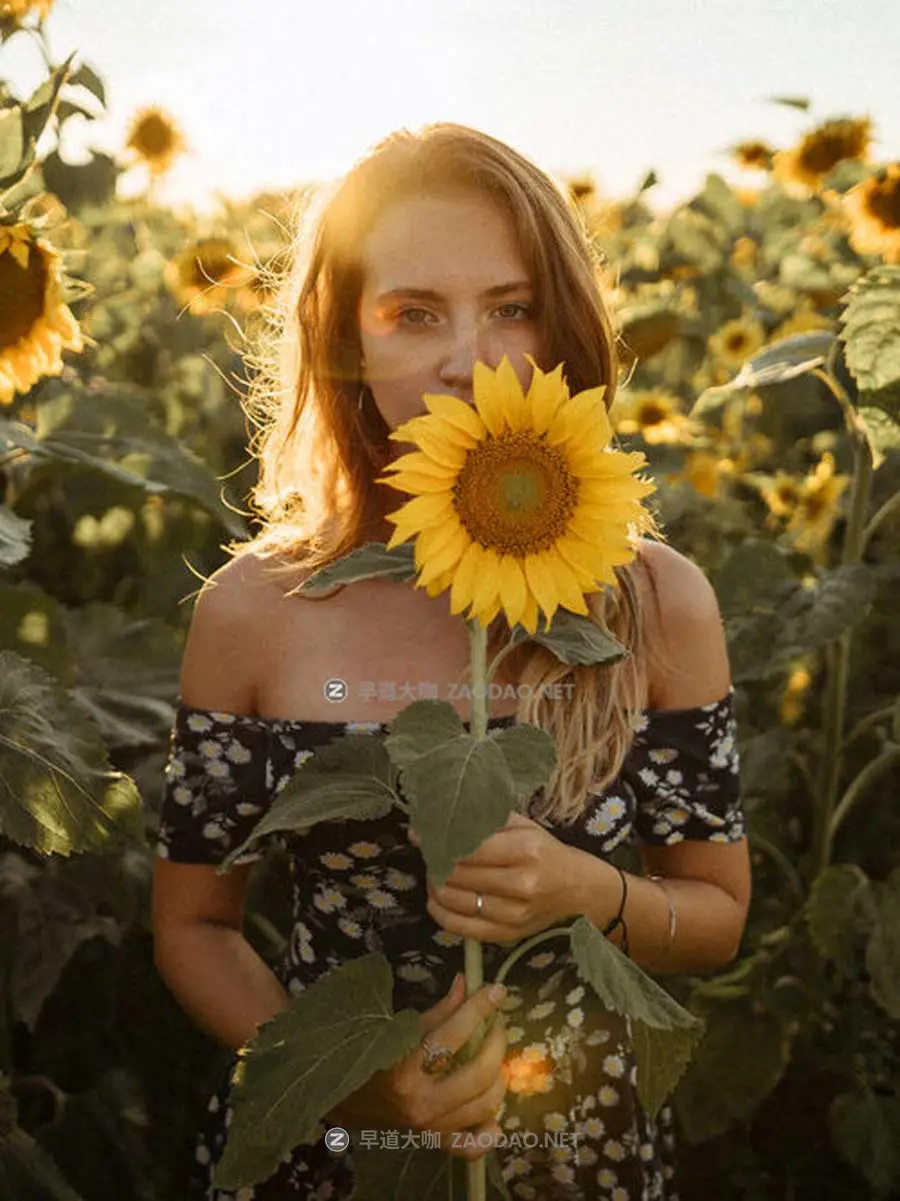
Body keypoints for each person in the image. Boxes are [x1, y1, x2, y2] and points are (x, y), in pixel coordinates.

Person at [151, 122, 752, 1201]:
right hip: (333, 1158)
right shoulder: (258, 609)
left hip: (579, 1154)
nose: (468, 359)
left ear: (561, 325)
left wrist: (583, 891)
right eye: (413, 313)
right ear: (348, 337)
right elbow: (195, 924)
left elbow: (714, 914)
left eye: (510, 308)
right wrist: (346, 1080)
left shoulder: (656, 601)